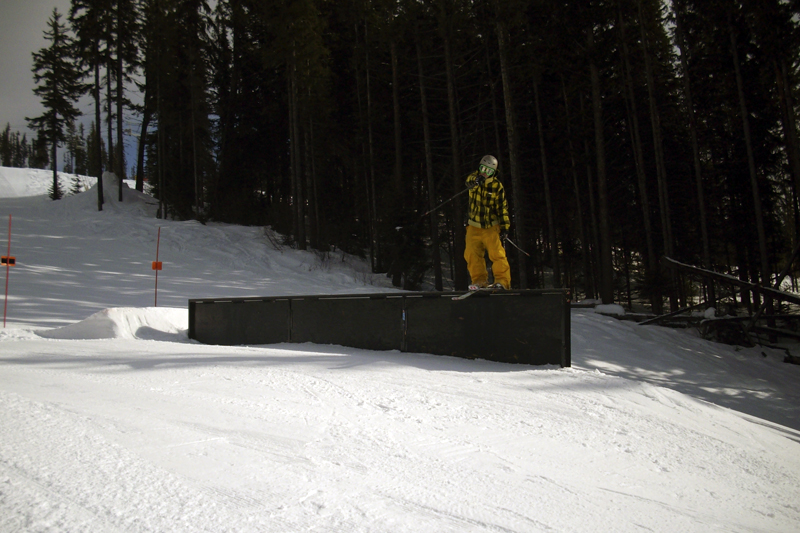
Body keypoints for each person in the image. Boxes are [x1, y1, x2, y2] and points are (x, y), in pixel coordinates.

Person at [464, 155, 511, 289]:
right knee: (472, 254)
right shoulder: (474, 179)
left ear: (493, 172)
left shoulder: (497, 186)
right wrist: (476, 180)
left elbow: (502, 208)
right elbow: (469, 182)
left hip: (491, 226)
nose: (485, 172)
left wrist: (505, 227)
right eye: (483, 169)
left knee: (497, 254)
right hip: (473, 226)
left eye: (489, 171)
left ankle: (502, 281)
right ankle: (479, 281)